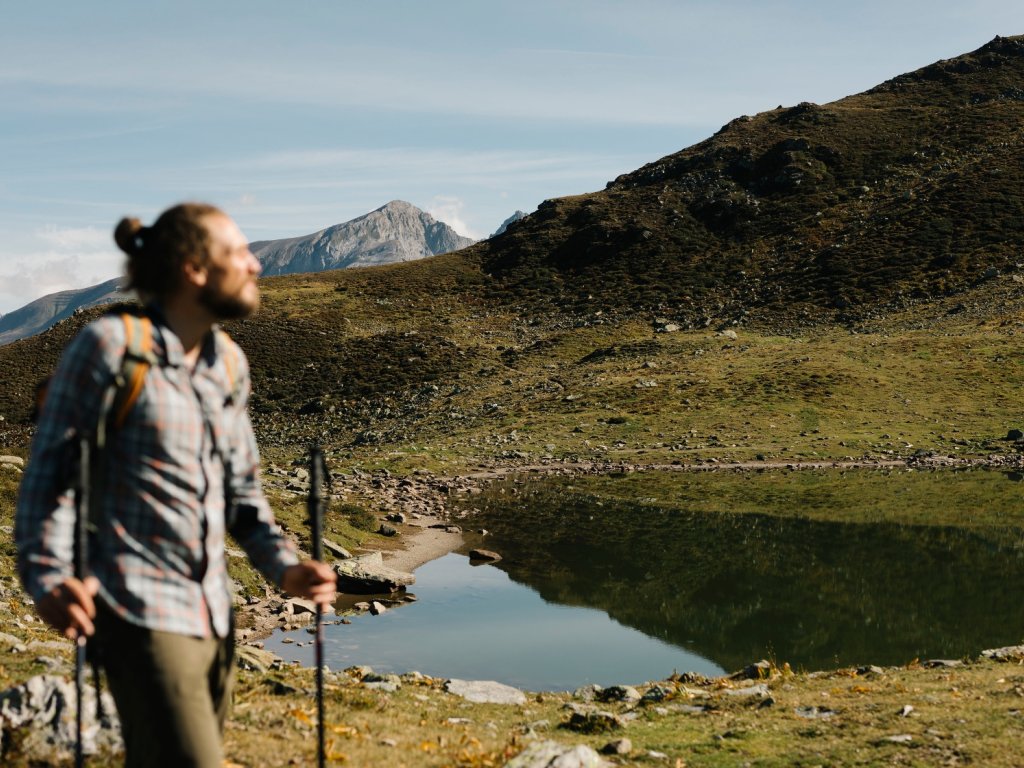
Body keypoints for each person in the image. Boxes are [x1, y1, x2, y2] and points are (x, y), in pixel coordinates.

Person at [15, 202, 337, 767]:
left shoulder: (229, 365)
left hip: (214, 614)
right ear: (193, 267)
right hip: (136, 611)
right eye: (238, 252)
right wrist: (47, 577)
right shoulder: (111, 349)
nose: (255, 264)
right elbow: (49, 476)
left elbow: (242, 497)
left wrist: (286, 568)